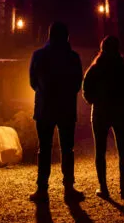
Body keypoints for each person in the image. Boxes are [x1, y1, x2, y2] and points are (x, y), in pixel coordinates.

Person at [28, 21, 85, 203]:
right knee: (67, 148)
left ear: (49, 35)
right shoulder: (73, 57)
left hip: (45, 108)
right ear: (67, 37)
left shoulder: (38, 55)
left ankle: (42, 189)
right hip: (66, 107)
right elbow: (78, 83)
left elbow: (32, 82)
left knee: (44, 148)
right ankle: (69, 188)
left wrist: (44, 92)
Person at [82, 35, 124, 200]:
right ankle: (123, 189)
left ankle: (103, 188)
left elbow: (86, 90)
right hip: (120, 110)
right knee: (123, 150)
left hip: (100, 111)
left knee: (100, 151)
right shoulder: (123, 68)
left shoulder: (95, 68)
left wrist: (95, 101)